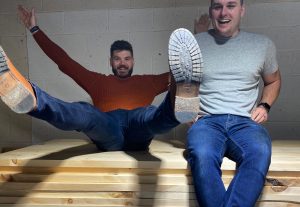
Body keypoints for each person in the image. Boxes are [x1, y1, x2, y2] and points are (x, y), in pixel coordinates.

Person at [0, 8, 203, 151]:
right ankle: (32, 99)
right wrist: (35, 30)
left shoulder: (148, 82)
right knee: (86, 112)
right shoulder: (97, 81)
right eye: (117, 59)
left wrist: (199, 39)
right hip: (108, 128)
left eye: (126, 59)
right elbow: (64, 61)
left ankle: (180, 109)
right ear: (110, 62)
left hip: (138, 127)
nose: (122, 63)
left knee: (151, 114)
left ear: (133, 61)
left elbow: (184, 70)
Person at [188, 1, 281, 207]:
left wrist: (265, 104)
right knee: (201, 156)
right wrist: (185, 108)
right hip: (208, 122)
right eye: (217, 6)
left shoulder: (262, 45)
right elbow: (180, 85)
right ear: (211, 10)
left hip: (244, 122)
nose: (223, 12)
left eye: (231, 5)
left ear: (243, 10)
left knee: (259, 154)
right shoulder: (195, 44)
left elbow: (274, 80)